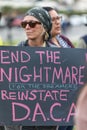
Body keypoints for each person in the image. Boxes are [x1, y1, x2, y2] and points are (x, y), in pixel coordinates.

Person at [5, 7, 57, 130]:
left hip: (48, 120)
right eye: (24, 24)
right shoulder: (11, 56)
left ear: (44, 26)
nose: (27, 27)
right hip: (19, 121)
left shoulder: (58, 57)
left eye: (32, 23)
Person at [43, 6, 74, 130]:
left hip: (71, 101)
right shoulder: (41, 45)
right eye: (53, 19)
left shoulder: (64, 40)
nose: (57, 22)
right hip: (54, 105)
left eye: (58, 18)